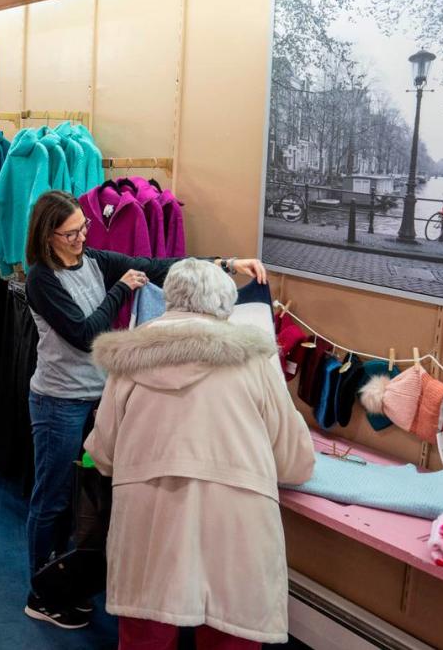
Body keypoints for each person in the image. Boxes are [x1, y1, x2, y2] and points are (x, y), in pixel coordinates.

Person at [22, 190, 268, 629]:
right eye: (71, 232)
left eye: (83, 228)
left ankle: (67, 581)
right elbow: (84, 334)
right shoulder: (41, 279)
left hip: (96, 395)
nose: (81, 237)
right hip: (58, 402)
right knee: (53, 498)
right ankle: (41, 592)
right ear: (47, 236)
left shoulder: (92, 258)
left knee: (91, 498)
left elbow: (158, 267)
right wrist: (121, 289)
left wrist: (228, 264)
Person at [84, 258, 315, 649]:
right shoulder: (255, 359)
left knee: (146, 633)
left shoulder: (127, 361)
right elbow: (295, 461)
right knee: (229, 634)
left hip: (149, 518)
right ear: (225, 306)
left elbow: (102, 453)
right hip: (235, 520)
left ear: (169, 299)